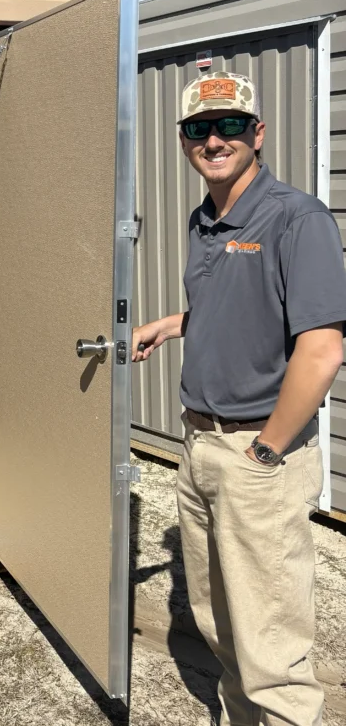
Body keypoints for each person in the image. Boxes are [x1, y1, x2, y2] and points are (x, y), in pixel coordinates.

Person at [132, 69, 346, 726]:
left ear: (257, 133)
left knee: (271, 646)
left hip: (258, 453)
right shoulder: (204, 220)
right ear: (183, 140)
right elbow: (239, 307)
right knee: (219, 618)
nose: (214, 139)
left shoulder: (296, 218)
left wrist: (266, 451)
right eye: (199, 128)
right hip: (199, 445)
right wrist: (174, 324)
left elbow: (321, 348)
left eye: (229, 124)